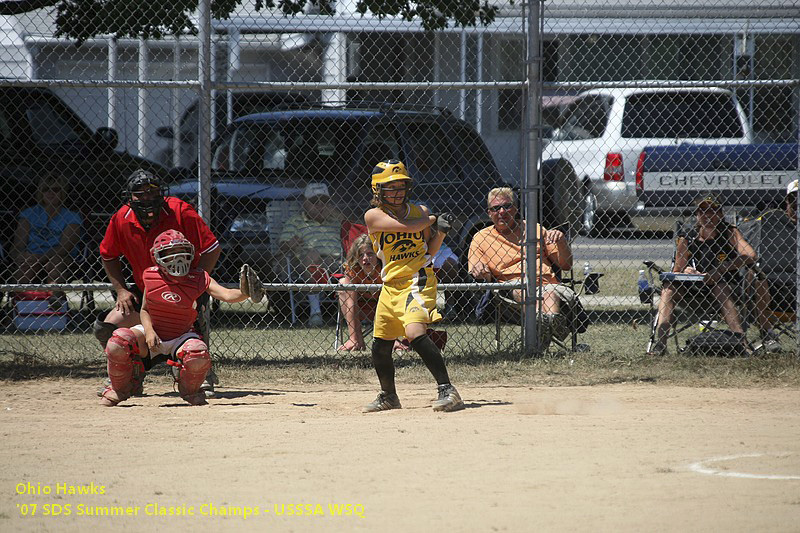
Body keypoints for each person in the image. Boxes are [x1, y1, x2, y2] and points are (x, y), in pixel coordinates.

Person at [99, 230, 262, 407]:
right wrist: (149, 332)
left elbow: (227, 294)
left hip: (180, 335)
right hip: (153, 334)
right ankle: (122, 387)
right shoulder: (151, 276)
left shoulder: (198, 277)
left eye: (182, 252)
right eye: (169, 253)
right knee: (118, 341)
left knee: (197, 352)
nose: (177, 258)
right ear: (158, 256)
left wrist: (246, 293)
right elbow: (145, 310)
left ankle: (190, 390)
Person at [95, 169, 221, 396]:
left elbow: (212, 248)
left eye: (151, 193)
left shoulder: (180, 211)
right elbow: (108, 255)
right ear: (129, 197)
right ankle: (128, 374)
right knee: (107, 327)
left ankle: (196, 374)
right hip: (146, 292)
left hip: (182, 289)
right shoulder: (122, 219)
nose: (146, 199)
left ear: (161, 194)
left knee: (195, 329)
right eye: (139, 194)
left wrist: (194, 282)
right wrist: (121, 290)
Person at [362, 159, 464, 413]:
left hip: (418, 279)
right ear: (377, 190)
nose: (397, 192)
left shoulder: (420, 211)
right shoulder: (374, 216)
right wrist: (432, 219)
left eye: (401, 186)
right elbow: (408, 227)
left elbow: (430, 250)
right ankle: (389, 396)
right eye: (390, 187)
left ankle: (447, 390)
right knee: (381, 345)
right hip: (390, 286)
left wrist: (439, 232)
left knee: (415, 333)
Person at [647, 193, 756, 356]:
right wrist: (686, 271)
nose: (707, 216)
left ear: (720, 214)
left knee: (719, 287)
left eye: (712, 211)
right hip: (694, 289)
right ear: (697, 215)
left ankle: (742, 343)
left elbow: (750, 255)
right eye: (702, 211)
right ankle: (660, 345)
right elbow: (677, 270)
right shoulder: (687, 236)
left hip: (724, 285)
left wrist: (721, 269)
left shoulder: (729, 232)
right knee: (668, 289)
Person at [468, 186, 574, 346]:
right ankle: (551, 326)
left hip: (547, 284)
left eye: (507, 206)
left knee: (549, 293)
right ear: (489, 213)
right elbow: (476, 268)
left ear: (516, 208)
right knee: (521, 289)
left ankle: (547, 324)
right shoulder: (481, 238)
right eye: (496, 208)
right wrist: (479, 269)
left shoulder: (535, 230)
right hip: (510, 290)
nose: (502, 212)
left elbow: (566, 265)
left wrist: (561, 242)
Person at [742, 179, 798, 353]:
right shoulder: (768, 225)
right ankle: (767, 336)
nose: (797, 205)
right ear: (786, 203)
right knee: (755, 275)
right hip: (771, 291)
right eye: (793, 200)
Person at [11, 175, 82, 308]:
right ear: (40, 192)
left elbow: (65, 247)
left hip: (60, 257)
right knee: (26, 264)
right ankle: (19, 306)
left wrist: (40, 257)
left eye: (55, 190)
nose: (50, 193)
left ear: (62, 192)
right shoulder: (29, 214)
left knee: (55, 262)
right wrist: (21, 255)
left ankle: (54, 305)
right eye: (46, 189)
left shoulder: (72, 217)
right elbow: (18, 245)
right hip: (30, 256)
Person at [278, 182, 344, 327]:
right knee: (312, 255)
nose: (320, 205)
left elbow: (355, 227)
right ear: (305, 203)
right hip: (310, 263)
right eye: (314, 201)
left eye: (324, 202)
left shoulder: (336, 221)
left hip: (339, 261)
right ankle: (315, 312)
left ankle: (361, 313)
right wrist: (291, 243)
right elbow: (282, 246)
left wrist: (336, 213)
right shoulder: (296, 221)